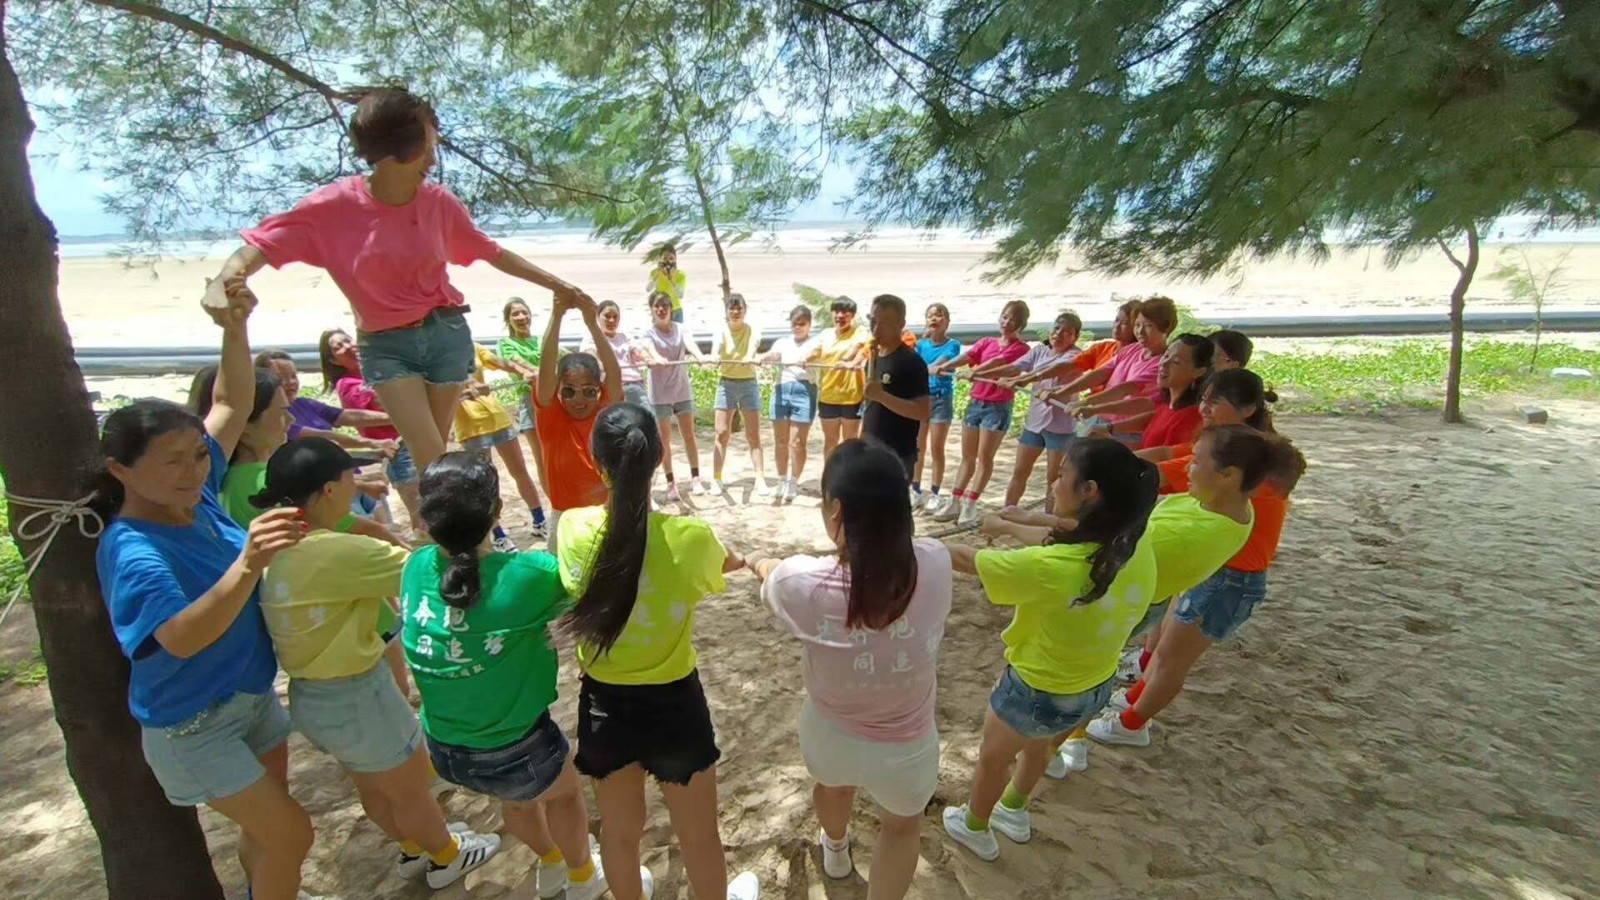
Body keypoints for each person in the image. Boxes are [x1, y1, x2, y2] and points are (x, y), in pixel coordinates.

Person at [206, 88, 592, 484]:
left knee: (434, 456)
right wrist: (223, 281)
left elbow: (491, 252)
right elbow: (257, 248)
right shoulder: (330, 208)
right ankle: (460, 534)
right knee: (433, 458)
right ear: (401, 145)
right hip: (386, 347)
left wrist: (557, 285)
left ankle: (434, 533)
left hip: (447, 333)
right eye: (428, 143)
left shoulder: (439, 204)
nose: (433, 156)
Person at [93, 289, 317, 900]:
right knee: (293, 835)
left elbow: (229, 400)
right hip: (193, 726)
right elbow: (181, 637)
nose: (194, 471)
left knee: (269, 840)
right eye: (172, 462)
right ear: (120, 471)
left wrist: (236, 327)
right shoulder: (133, 550)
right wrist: (248, 563)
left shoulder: (196, 493)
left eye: (198, 456)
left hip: (249, 698)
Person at [249, 438, 501, 890]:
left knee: (372, 785)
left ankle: (413, 846)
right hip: (358, 694)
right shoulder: (337, 552)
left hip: (313, 695)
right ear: (329, 489)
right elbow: (426, 571)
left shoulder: (277, 540)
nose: (354, 485)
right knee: (409, 789)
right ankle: (447, 855)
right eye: (349, 478)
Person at [554, 403, 760, 900]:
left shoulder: (572, 528)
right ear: (657, 458)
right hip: (674, 705)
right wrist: (755, 558)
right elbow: (727, 561)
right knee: (698, 834)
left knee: (620, 835)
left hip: (603, 703)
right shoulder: (688, 538)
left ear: (594, 458)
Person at [935, 439, 1160, 862]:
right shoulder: (1132, 536)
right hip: (1093, 683)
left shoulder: (1056, 569)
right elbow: (1075, 530)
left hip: (1037, 686)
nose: (1054, 482)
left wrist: (897, 542)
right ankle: (1015, 810)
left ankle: (976, 826)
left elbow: (968, 561)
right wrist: (1013, 523)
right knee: (1038, 746)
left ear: (1089, 490)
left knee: (992, 759)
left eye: (1062, 475)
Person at [747, 441, 951, 900]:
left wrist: (758, 560)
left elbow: (771, 574)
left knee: (832, 788)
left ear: (835, 509)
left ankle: (835, 850)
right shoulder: (935, 563)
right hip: (909, 744)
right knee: (902, 829)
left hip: (830, 731)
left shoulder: (801, 582)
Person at [403, 452, 609, 899]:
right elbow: (587, 584)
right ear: (497, 512)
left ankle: (551, 863)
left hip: (444, 746)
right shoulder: (529, 576)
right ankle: (581, 877)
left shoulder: (415, 567)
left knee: (516, 803)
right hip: (518, 745)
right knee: (563, 795)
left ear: (425, 519)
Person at [1088, 425, 1306, 749]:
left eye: (1196, 461)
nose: (1189, 466)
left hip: (1229, 585)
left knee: (1171, 661)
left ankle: (1131, 725)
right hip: (1218, 578)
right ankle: (1134, 699)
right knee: (1163, 653)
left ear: (1229, 474)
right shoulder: (1230, 497)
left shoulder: (1220, 516)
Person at [1017, 295, 1177, 445]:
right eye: (1137, 325)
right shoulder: (1133, 349)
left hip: (1128, 430)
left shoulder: (1162, 362)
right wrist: (1061, 392)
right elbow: (1101, 373)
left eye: (1148, 326)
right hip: (1101, 418)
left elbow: (1124, 390)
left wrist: (1086, 403)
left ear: (1165, 329)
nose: (1140, 332)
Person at [534, 293, 624, 555]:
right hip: (565, 517)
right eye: (569, 391)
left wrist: (591, 323)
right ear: (558, 391)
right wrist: (556, 315)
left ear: (598, 389)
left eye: (588, 390)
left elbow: (613, 371)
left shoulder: (604, 411)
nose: (580, 399)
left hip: (605, 513)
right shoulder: (552, 418)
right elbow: (546, 366)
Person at [929, 300, 1033, 526]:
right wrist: (946, 367)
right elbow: (967, 357)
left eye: (1012, 319)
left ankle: (970, 503)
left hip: (997, 407)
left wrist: (975, 372)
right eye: (1004, 317)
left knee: (985, 457)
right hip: (976, 402)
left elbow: (1001, 363)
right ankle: (955, 499)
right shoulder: (986, 341)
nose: (1006, 322)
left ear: (1021, 324)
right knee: (968, 455)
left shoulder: (1021, 349)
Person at [321, 327, 422, 529]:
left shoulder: (373, 373)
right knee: (420, 511)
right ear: (333, 361)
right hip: (398, 449)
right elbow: (384, 405)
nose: (348, 347)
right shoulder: (348, 384)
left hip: (412, 439)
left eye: (347, 340)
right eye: (338, 347)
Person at [455, 343, 549, 544]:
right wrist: (465, 388)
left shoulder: (472, 346)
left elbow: (499, 362)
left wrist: (524, 370)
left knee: (520, 471)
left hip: (498, 418)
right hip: (472, 426)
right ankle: (498, 535)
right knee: (485, 481)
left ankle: (539, 521)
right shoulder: (433, 355)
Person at [988, 312, 1083, 509]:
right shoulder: (1039, 350)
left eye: (1067, 332)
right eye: (1057, 328)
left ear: (1074, 337)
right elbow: (1014, 367)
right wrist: (979, 373)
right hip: (1035, 423)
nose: (1059, 334)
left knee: (1054, 478)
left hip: (1061, 427)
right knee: (1020, 471)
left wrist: (1021, 380)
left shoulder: (1076, 356)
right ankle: (1007, 512)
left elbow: (1058, 369)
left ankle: (1049, 522)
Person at [1075, 333, 1212, 449]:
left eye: (1176, 361)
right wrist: (1107, 429)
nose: (1164, 363)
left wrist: (1107, 439)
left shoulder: (1191, 418)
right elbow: (1151, 420)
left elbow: (1159, 460)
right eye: (1166, 356)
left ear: (1199, 371)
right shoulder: (1169, 402)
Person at [254, 349, 396, 454]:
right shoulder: (270, 415)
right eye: (281, 377)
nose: (291, 382)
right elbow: (317, 436)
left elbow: (347, 415)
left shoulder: (304, 404)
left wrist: (397, 418)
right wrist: (372, 443)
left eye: (293, 376)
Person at [639, 290, 706, 500]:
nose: (661, 309)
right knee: (665, 440)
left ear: (670, 309)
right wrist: (656, 357)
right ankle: (671, 483)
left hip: (681, 389)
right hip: (660, 394)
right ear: (652, 310)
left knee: (689, 435)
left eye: (664, 306)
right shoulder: (648, 333)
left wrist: (700, 356)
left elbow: (690, 344)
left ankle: (696, 478)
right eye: (657, 306)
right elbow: (648, 349)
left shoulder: (681, 328)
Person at [860, 294, 931, 484]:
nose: (876, 329)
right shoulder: (873, 357)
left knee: (889, 511)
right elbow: (871, 406)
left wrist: (881, 396)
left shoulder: (911, 362)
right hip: (870, 447)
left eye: (884, 323)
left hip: (897, 454)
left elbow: (922, 411)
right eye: (873, 322)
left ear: (901, 324)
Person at [757, 305, 819, 503]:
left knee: (797, 443)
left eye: (802, 324)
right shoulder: (782, 342)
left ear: (809, 324)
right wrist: (763, 358)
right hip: (782, 389)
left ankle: (794, 480)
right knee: (781, 441)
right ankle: (782, 479)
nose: (798, 327)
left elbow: (818, 357)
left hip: (804, 389)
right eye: (795, 324)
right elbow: (774, 355)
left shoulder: (815, 343)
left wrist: (807, 360)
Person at [493, 297, 552, 499]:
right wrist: (539, 372)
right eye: (515, 314)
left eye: (524, 312)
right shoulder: (506, 344)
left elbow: (561, 357)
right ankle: (555, 503)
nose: (521, 317)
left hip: (554, 401)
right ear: (508, 320)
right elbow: (516, 361)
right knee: (542, 458)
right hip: (530, 402)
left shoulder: (541, 341)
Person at [711, 293, 768, 496]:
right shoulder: (721, 330)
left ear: (745, 310)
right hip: (726, 384)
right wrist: (712, 357)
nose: (735, 312)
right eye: (731, 309)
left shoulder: (751, 329)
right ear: (727, 311)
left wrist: (749, 357)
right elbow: (717, 348)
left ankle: (760, 479)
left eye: (739, 309)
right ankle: (716, 478)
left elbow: (752, 346)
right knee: (721, 433)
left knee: (753, 435)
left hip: (748, 384)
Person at [912, 303, 962, 513]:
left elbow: (941, 364)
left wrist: (930, 369)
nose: (934, 319)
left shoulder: (953, 344)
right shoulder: (921, 345)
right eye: (931, 316)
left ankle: (934, 492)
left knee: (936, 448)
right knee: (917, 447)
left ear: (947, 321)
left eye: (939, 316)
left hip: (941, 399)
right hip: (921, 398)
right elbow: (917, 367)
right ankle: (915, 490)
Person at [812, 297, 872, 458]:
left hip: (851, 397)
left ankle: (850, 481)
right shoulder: (825, 334)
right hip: (828, 396)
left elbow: (861, 349)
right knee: (830, 442)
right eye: (836, 311)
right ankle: (830, 480)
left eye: (845, 312)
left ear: (852, 315)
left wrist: (852, 362)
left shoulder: (860, 332)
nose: (840, 315)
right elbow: (812, 353)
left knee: (851, 444)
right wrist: (802, 359)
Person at [582, 299, 652, 408]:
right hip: (610, 386)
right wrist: (606, 369)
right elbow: (591, 355)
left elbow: (638, 350)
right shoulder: (591, 338)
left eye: (615, 317)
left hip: (634, 384)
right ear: (598, 317)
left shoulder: (624, 336)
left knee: (647, 417)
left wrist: (649, 359)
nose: (611, 320)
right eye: (607, 316)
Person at [647, 246, 688, 324]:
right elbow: (648, 288)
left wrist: (671, 279)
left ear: (675, 259)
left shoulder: (681, 275)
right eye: (665, 258)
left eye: (671, 258)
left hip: (676, 310)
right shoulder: (654, 272)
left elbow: (680, 295)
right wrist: (657, 274)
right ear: (660, 259)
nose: (668, 261)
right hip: (660, 310)